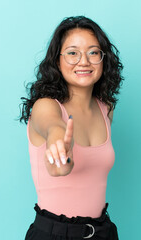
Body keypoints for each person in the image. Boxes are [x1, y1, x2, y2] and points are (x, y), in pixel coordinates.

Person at [19, 16, 123, 240]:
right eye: (73, 53)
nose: (83, 61)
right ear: (57, 61)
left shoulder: (106, 109)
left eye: (93, 52)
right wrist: (57, 140)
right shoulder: (45, 105)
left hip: (102, 233)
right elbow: (52, 124)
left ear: (104, 59)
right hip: (54, 233)